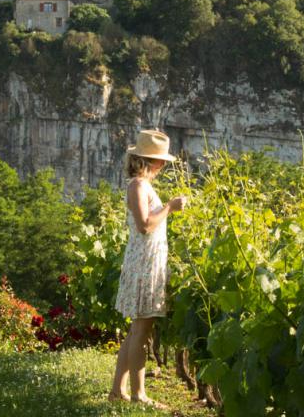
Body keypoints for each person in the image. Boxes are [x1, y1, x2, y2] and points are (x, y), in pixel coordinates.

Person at [109, 129, 186, 407]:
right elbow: (144, 226)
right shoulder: (138, 186)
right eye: (161, 160)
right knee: (141, 332)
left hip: (145, 261)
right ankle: (139, 395)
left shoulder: (141, 185)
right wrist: (170, 207)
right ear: (151, 161)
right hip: (144, 264)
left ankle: (118, 391)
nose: (164, 165)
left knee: (136, 330)